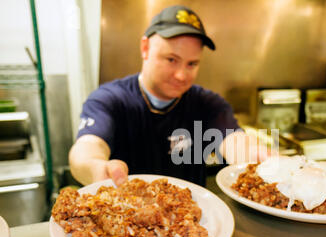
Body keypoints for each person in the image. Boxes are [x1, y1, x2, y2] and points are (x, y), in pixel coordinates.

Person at [69, 5, 275, 187]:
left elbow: (234, 141)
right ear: (145, 48)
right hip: (127, 221)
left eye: (192, 64)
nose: (181, 75)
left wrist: (257, 155)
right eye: (171, 59)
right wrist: (96, 168)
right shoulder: (110, 99)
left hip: (190, 221)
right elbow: (88, 147)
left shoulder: (207, 103)